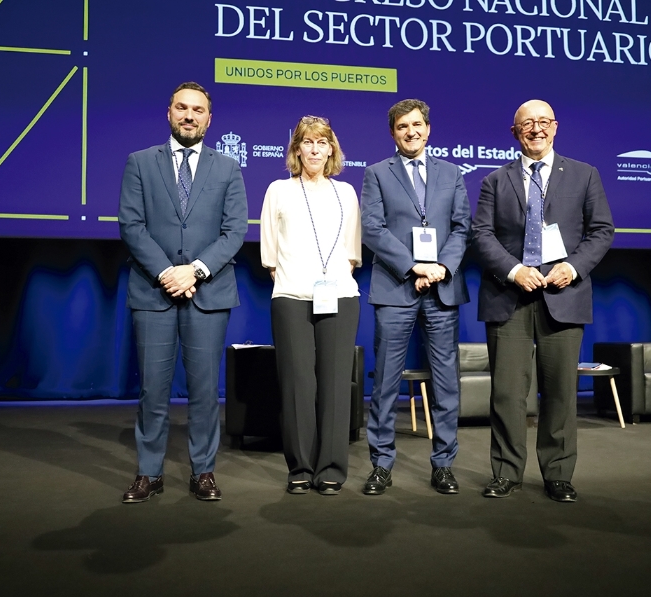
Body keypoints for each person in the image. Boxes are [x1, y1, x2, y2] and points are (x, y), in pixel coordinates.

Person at [471, 99, 614, 502]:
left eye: (544, 122)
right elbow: (481, 234)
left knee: (560, 393)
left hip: (563, 295)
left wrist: (574, 267)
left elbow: (601, 230)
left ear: (555, 127)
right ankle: (506, 472)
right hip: (508, 297)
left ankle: (558, 474)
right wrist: (514, 270)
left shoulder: (584, 174)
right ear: (514, 132)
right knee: (507, 394)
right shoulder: (495, 180)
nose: (536, 129)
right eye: (527, 124)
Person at [118, 82, 248, 503]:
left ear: (209, 119)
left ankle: (203, 472)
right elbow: (131, 225)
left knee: (205, 391)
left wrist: (194, 270)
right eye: (182, 108)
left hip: (208, 293)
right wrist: (166, 273)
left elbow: (235, 231)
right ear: (169, 113)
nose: (189, 115)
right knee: (152, 390)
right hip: (152, 292)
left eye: (198, 110)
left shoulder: (228, 167)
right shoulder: (140, 162)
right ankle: (149, 473)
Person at [360, 99, 471, 495]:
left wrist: (441, 267)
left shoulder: (452, 172)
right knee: (386, 383)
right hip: (396, 288)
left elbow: (462, 227)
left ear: (428, 129)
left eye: (417, 125)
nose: (411, 132)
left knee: (446, 384)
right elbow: (372, 229)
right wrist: (414, 267)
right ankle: (381, 465)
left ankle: (444, 465)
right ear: (393, 133)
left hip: (442, 288)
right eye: (403, 126)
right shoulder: (376, 173)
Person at [260, 116, 361, 496]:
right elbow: (270, 255)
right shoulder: (278, 190)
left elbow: (352, 252)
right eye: (308, 142)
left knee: (335, 385)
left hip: (340, 296)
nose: (315, 149)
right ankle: (300, 467)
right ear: (297, 149)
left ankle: (331, 467)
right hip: (290, 296)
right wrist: (296, 281)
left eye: (322, 142)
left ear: (331, 149)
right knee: (297, 385)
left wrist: (330, 279)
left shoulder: (346, 192)